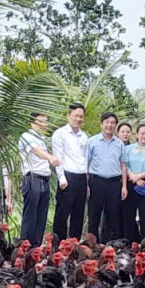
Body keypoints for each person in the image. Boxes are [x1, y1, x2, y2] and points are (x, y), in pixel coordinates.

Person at [18, 113, 60, 245]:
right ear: (32, 122)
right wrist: (50, 158)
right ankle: (25, 247)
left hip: (44, 180)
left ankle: (36, 247)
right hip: (32, 179)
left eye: (46, 121)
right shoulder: (26, 136)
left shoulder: (42, 139)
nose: (45, 125)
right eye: (41, 121)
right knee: (30, 216)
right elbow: (36, 151)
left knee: (41, 217)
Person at [86, 112, 127, 242]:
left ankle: (108, 247)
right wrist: (86, 184)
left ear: (115, 125)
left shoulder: (120, 143)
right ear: (101, 124)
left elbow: (123, 165)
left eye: (112, 123)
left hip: (114, 183)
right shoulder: (92, 142)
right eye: (107, 122)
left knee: (112, 216)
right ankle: (92, 246)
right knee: (94, 216)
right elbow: (86, 163)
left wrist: (124, 186)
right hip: (96, 182)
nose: (109, 125)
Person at [51, 102, 89, 241]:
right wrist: (61, 178)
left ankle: (74, 245)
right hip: (67, 176)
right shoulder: (60, 134)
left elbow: (85, 159)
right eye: (76, 116)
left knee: (78, 214)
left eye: (81, 116)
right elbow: (58, 157)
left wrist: (87, 182)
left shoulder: (84, 136)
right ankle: (57, 245)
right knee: (62, 213)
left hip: (81, 177)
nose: (78, 119)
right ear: (68, 115)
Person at [122, 124, 145, 242]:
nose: (144, 136)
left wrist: (138, 177)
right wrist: (134, 178)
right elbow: (124, 165)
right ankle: (130, 244)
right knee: (129, 216)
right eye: (142, 133)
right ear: (137, 134)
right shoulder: (128, 149)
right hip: (129, 183)